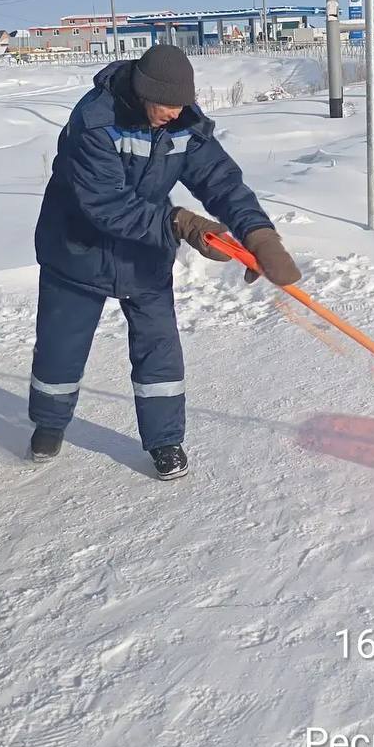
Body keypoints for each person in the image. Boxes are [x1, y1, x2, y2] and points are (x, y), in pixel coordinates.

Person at [28, 44, 300, 480]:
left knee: (159, 350)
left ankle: (165, 440)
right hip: (76, 250)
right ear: (140, 92)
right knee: (61, 347)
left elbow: (221, 182)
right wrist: (181, 223)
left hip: (144, 253)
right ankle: (49, 422)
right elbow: (106, 205)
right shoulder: (95, 122)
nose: (174, 114)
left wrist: (258, 234)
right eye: (166, 105)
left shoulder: (183, 122)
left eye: (181, 105)